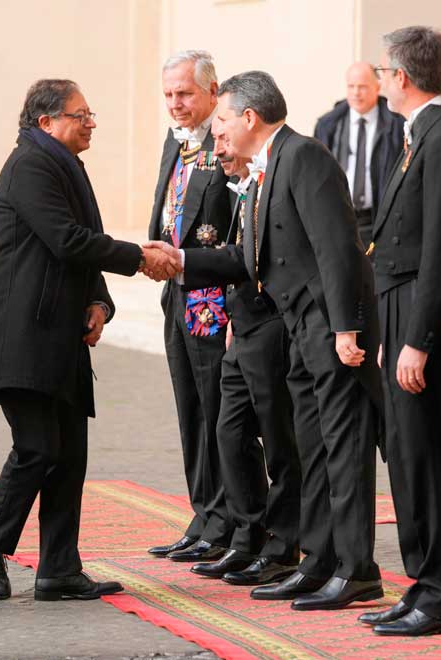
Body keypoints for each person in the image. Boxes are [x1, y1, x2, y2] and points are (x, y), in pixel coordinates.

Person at [145, 70, 384, 611]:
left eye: (224, 118)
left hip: (327, 328)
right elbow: (246, 259)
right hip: (299, 330)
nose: (219, 131)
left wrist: (347, 327)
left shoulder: (302, 157)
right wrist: (181, 260)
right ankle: (318, 562)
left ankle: (357, 569)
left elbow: (336, 250)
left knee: (342, 454)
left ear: (249, 117)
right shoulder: (266, 167)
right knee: (313, 455)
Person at [0, 79, 178, 601]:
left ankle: (59, 570)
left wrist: (100, 301)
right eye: (80, 114)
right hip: (26, 335)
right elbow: (66, 239)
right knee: (38, 447)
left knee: (69, 456)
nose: (91, 122)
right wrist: (139, 257)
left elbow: (79, 243)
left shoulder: (63, 164)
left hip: (59, 335)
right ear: (46, 122)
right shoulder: (30, 166)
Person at [357, 26, 441, 637]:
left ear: (402, 78)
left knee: (431, 459)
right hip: (401, 311)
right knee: (407, 458)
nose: (380, 80)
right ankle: (421, 583)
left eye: (383, 71)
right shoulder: (421, 134)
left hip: (423, 323)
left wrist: (418, 338)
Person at [189, 119, 304, 585]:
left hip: (271, 325)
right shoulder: (245, 183)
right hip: (242, 327)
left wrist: (180, 263)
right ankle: (248, 533)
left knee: (279, 442)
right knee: (229, 432)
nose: (216, 147)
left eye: (221, 136)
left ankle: (281, 546)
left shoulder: (275, 172)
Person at [145, 50, 235, 563]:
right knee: (189, 408)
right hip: (175, 290)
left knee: (218, 411)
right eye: (169, 95)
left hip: (211, 295)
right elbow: (165, 205)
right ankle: (203, 513)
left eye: (184, 93)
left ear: (211, 91)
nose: (175, 104)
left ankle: (230, 517)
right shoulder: (173, 141)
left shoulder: (222, 141)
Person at [313, 62, 404, 250]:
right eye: (351, 86)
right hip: (339, 222)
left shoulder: (396, 125)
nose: (356, 92)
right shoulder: (328, 125)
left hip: (378, 222)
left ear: (377, 87)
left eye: (362, 86)